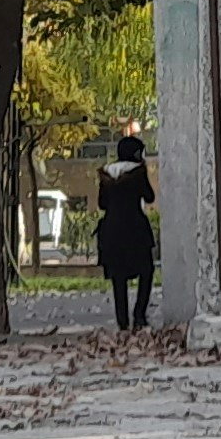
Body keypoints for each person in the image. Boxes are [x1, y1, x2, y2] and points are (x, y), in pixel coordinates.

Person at [96, 133, 157, 329]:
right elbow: (149, 197)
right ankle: (139, 314)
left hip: (112, 231)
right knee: (146, 270)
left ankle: (122, 322)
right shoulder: (138, 172)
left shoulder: (106, 175)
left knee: (118, 278)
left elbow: (102, 204)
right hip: (135, 230)